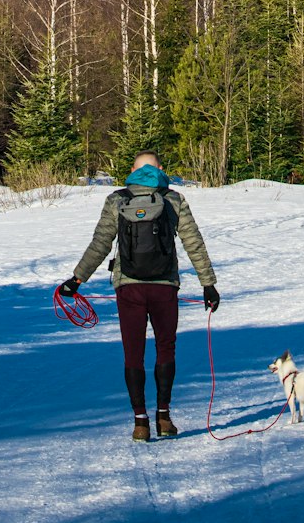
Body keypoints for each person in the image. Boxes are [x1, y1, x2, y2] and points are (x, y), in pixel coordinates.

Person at [59, 150, 219, 442]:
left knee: (133, 352)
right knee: (165, 348)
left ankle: (140, 422)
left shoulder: (116, 200)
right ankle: (164, 417)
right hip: (164, 285)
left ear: (133, 169)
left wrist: (77, 279)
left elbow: (101, 243)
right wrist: (208, 284)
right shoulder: (174, 199)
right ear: (160, 169)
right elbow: (194, 242)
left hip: (128, 286)